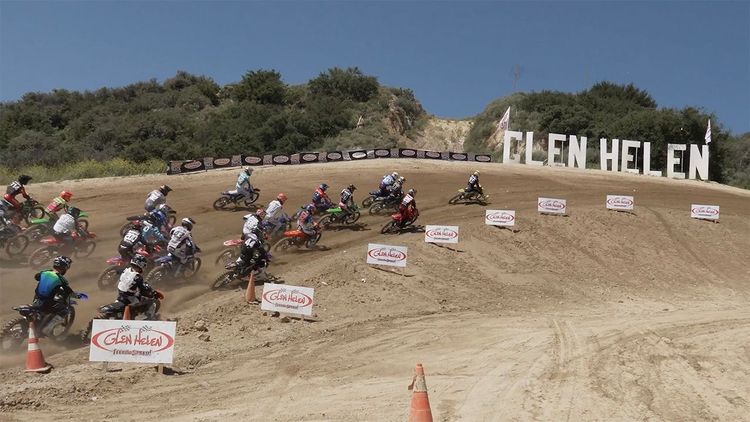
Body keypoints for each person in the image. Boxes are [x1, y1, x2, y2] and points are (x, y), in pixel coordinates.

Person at [116, 255, 158, 319]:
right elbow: (143, 290)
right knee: (149, 302)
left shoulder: (126, 269)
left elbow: (117, 272)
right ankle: (145, 318)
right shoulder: (138, 277)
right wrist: (151, 294)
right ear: (141, 265)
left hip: (120, 294)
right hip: (129, 298)